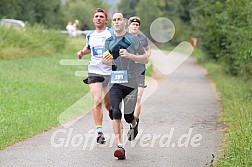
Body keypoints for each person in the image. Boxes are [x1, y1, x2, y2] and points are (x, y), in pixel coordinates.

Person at [102, 13, 148, 159]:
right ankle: (120, 146)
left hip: (131, 83)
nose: (116, 21)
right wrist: (107, 60)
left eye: (119, 19)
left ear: (124, 22)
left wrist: (130, 56)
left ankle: (134, 123)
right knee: (116, 112)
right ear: (112, 23)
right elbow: (105, 61)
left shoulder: (132, 39)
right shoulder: (109, 41)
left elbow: (145, 58)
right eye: (114, 19)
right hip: (115, 83)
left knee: (128, 116)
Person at [76, 8, 114, 144]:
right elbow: (88, 48)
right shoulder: (90, 35)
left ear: (105, 20)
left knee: (108, 104)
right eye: (96, 16)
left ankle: (110, 109)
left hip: (109, 72)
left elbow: (119, 47)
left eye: (101, 16)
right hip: (94, 72)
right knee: (97, 100)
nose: (98, 18)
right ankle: (99, 132)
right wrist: (81, 52)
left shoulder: (111, 33)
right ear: (93, 20)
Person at [128, 16, 151, 120]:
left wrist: (147, 55)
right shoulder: (124, 38)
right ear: (129, 26)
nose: (135, 26)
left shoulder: (143, 38)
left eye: (137, 25)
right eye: (133, 24)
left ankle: (134, 122)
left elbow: (148, 49)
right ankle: (128, 116)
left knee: (138, 98)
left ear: (139, 27)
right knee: (128, 98)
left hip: (140, 68)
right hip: (128, 69)